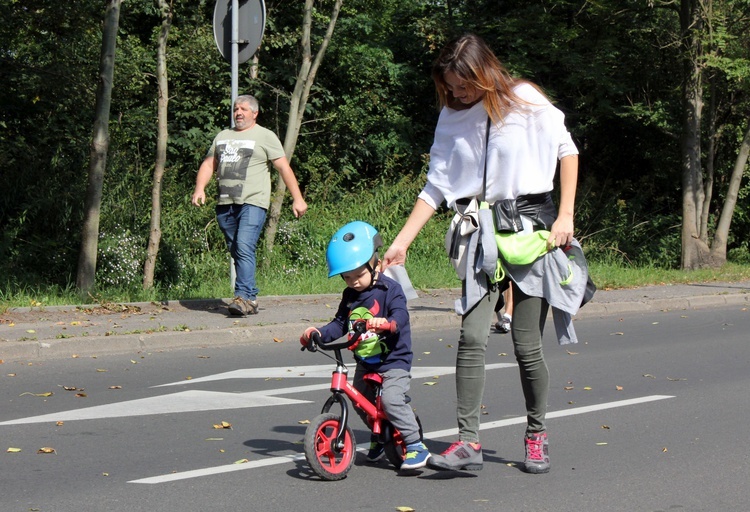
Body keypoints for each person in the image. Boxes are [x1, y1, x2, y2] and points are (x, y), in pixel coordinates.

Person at [381, 33, 580, 474]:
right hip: (479, 234)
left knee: (526, 345)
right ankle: (468, 441)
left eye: (464, 85)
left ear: (484, 72)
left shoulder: (524, 100)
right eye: (450, 87)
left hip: (532, 232)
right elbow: (436, 185)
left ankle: (536, 434)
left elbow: (567, 150)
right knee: (472, 336)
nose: (457, 93)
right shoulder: (450, 117)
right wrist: (402, 242)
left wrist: (565, 215)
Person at [300, 221, 431, 471]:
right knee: (360, 400)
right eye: (347, 277)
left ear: (376, 264)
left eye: (358, 275)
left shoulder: (389, 290)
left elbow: (401, 315)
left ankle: (415, 445)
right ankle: (379, 434)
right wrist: (318, 333)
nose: (353, 282)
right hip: (366, 361)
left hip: (393, 360)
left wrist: (387, 323)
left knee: (392, 400)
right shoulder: (349, 296)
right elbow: (339, 324)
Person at [191, 95, 307, 316]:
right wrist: (200, 188)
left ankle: (243, 297)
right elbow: (209, 164)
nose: (238, 113)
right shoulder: (223, 136)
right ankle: (251, 298)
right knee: (237, 250)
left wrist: (298, 198)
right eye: (236, 109)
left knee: (244, 245)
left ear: (255, 113)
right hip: (225, 203)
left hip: (253, 202)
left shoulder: (265, 136)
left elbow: (283, 168)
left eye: (243, 109)